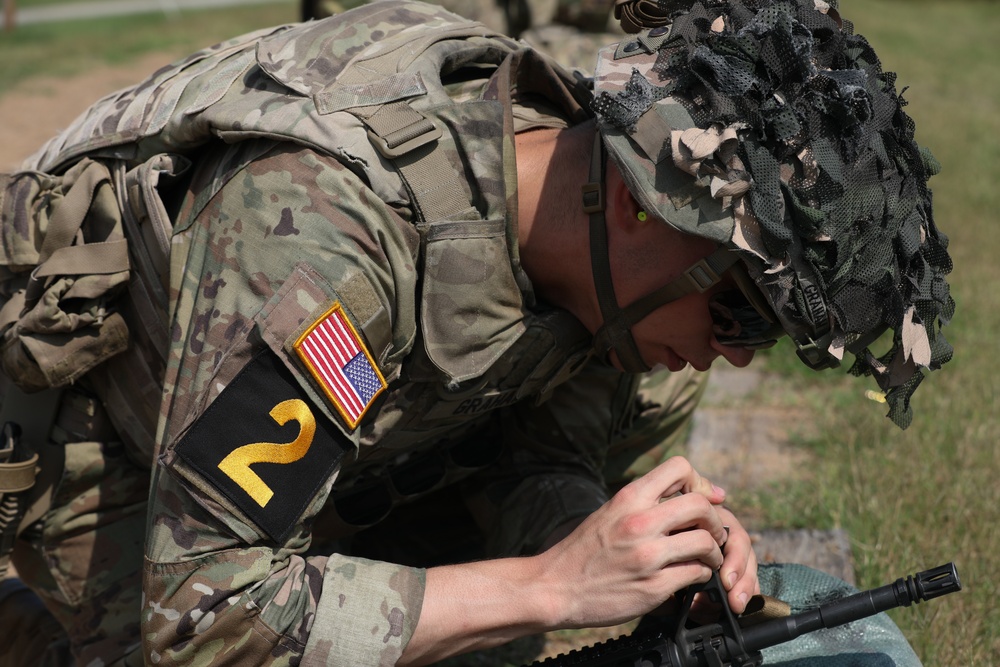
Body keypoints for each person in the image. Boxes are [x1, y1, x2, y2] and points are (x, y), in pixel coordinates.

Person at [0, 0, 954, 665]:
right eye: (739, 308)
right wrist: (549, 586)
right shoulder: (328, 239)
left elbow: (531, 457)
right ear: (641, 204)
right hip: (84, 426)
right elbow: (203, 616)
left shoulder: (600, 257)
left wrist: (621, 545)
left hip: (297, 438)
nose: (735, 351)